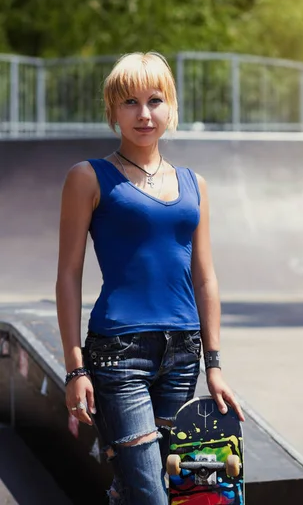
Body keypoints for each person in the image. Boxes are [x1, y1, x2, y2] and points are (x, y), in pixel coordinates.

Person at [56, 51, 244, 505]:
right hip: (118, 356)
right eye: (129, 103)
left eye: (155, 100)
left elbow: (205, 278)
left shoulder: (194, 184)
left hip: (182, 356)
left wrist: (214, 365)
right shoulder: (88, 177)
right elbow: (68, 274)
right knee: (150, 496)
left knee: (171, 489)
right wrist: (74, 368)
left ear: (171, 107)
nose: (144, 114)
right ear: (112, 111)